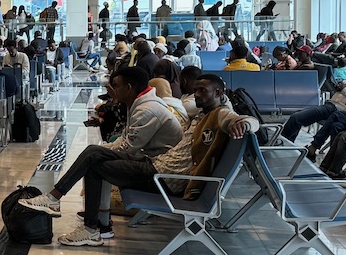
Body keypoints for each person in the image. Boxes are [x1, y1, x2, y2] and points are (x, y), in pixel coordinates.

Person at [56, 74, 256, 245]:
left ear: (219, 93)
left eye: (203, 91)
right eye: (196, 90)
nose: (197, 95)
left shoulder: (221, 114)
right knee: (94, 154)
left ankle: (87, 225)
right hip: (157, 167)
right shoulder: (205, 113)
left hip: (165, 179)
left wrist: (245, 124)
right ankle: (86, 219)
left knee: (94, 164)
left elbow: (243, 120)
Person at [30, 67, 184, 225]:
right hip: (151, 161)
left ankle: (78, 214)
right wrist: (104, 148)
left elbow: (128, 148)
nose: (113, 90)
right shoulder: (139, 104)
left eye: (117, 86)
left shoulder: (147, 110)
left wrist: (102, 150)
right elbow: (125, 139)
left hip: (159, 173)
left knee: (94, 157)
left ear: (129, 88)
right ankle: (94, 223)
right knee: (94, 156)